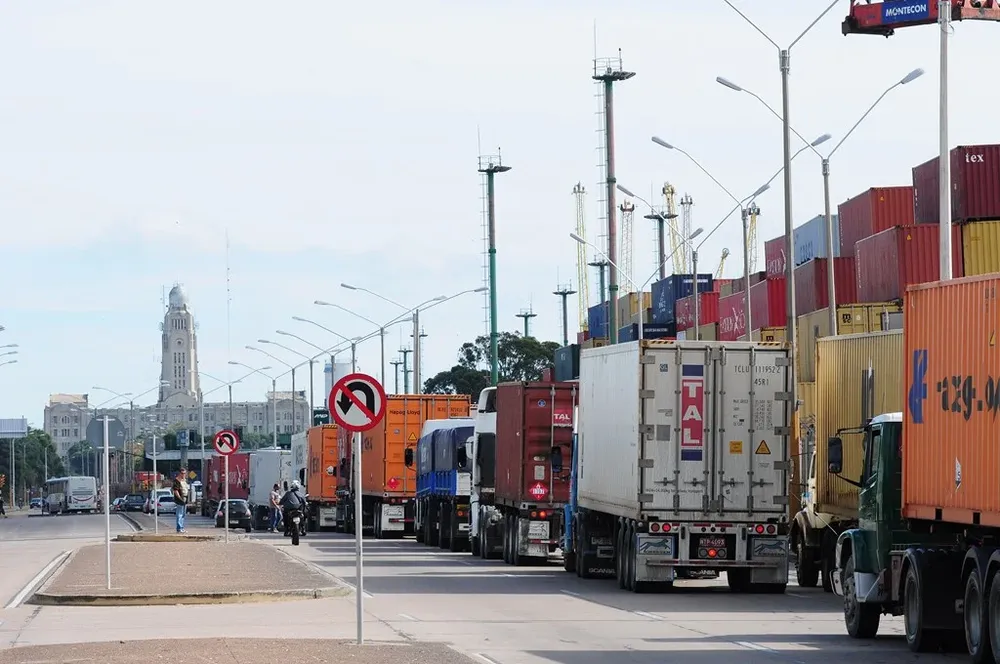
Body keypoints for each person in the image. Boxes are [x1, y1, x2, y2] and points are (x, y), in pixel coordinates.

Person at [171, 468, 189, 533]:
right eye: (182, 473)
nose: (183, 474)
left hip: (185, 498)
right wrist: (180, 498)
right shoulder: (177, 480)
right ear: (179, 473)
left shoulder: (184, 480)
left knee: (183, 514)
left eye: (184, 473)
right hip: (180, 499)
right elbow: (175, 490)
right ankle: (179, 528)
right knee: (179, 514)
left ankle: (181, 527)